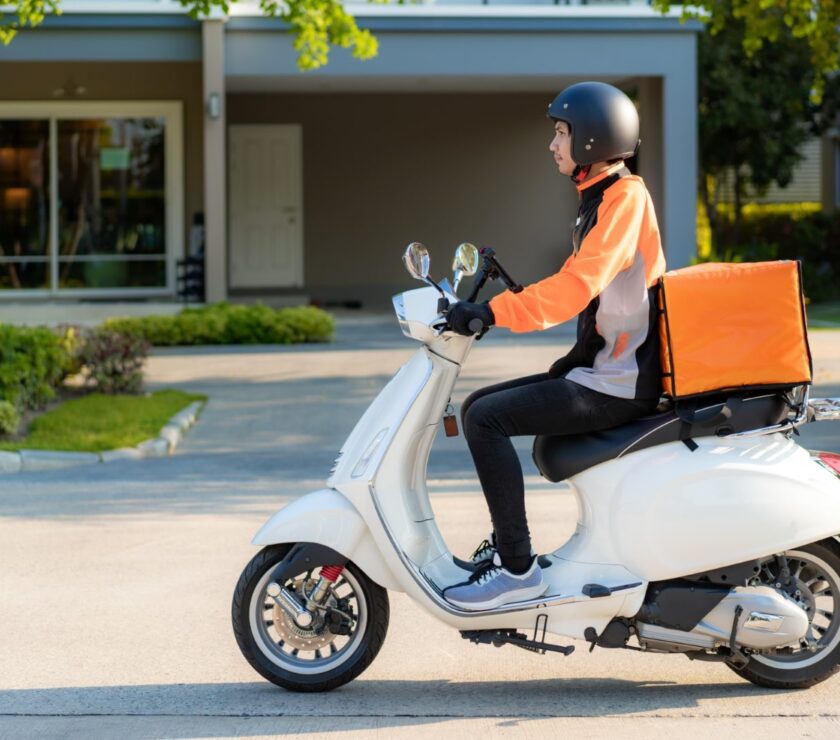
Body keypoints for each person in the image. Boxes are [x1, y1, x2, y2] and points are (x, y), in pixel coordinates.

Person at [443, 81, 667, 611]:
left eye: (561, 132)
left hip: (619, 382)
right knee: (478, 407)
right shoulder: (601, 200)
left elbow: (577, 286)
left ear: (592, 140)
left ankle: (517, 570)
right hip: (600, 370)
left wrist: (494, 313)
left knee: (485, 420)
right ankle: (508, 554)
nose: (552, 144)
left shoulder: (625, 199)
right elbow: (575, 278)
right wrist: (495, 303)